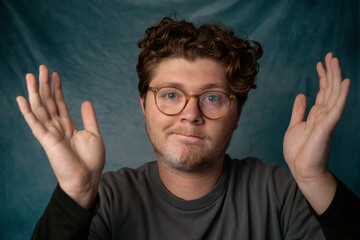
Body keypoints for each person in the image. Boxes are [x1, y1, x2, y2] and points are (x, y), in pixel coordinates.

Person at [17, 16, 359, 239]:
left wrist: (315, 178)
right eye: (170, 94)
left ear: (237, 114)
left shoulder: (279, 193)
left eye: (212, 98)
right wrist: (74, 195)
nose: (190, 114)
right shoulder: (102, 200)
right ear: (144, 106)